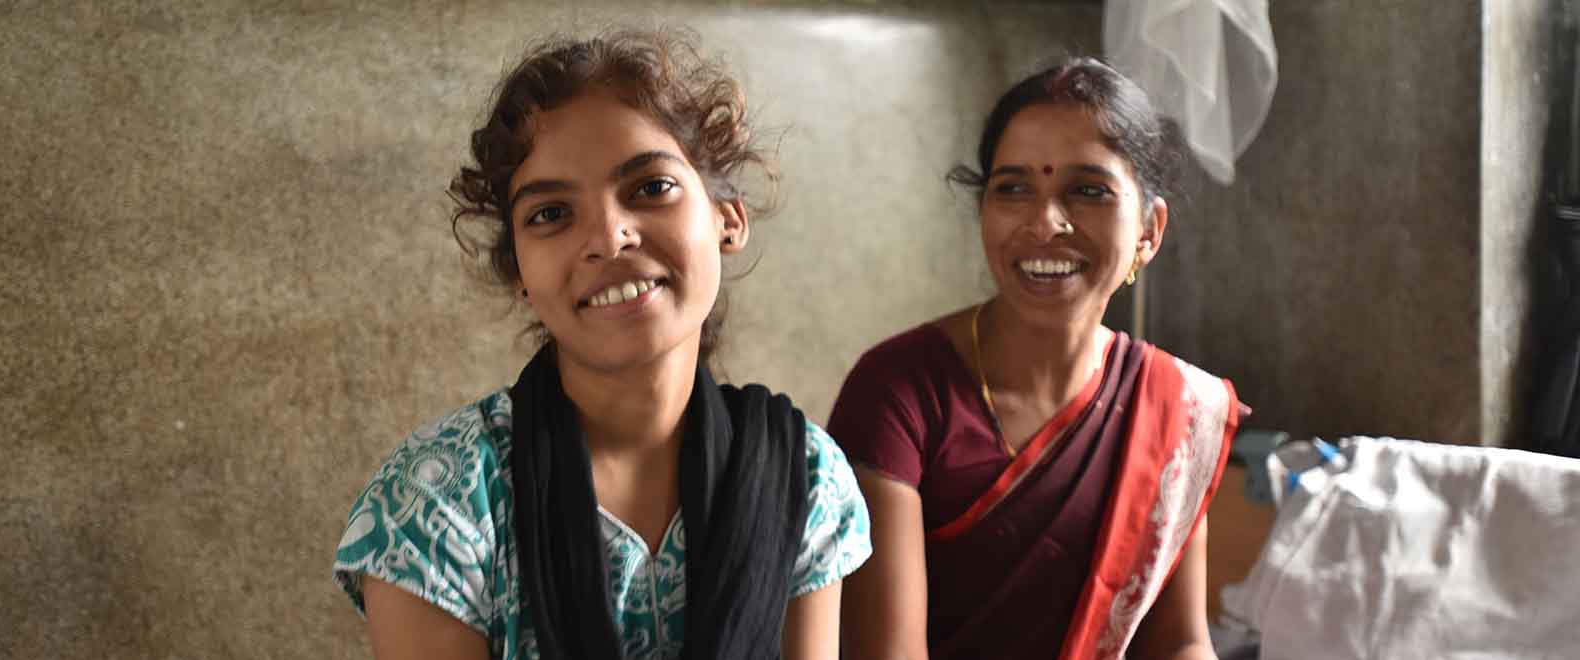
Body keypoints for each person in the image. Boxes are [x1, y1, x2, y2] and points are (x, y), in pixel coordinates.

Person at [333, 29, 870, 660]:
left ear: (728, 217)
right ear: (520, 273)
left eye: (651, 188)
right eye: (551, 214)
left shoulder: (802, 475)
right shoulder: (438, 501)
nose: (609, 237)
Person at [830, 58, 1244, 660]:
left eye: (1088, 190)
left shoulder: (1175, 408)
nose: (1045, 223)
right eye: (1013, 188)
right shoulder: (900, 394)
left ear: (1150, 230)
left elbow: (1179, 642)